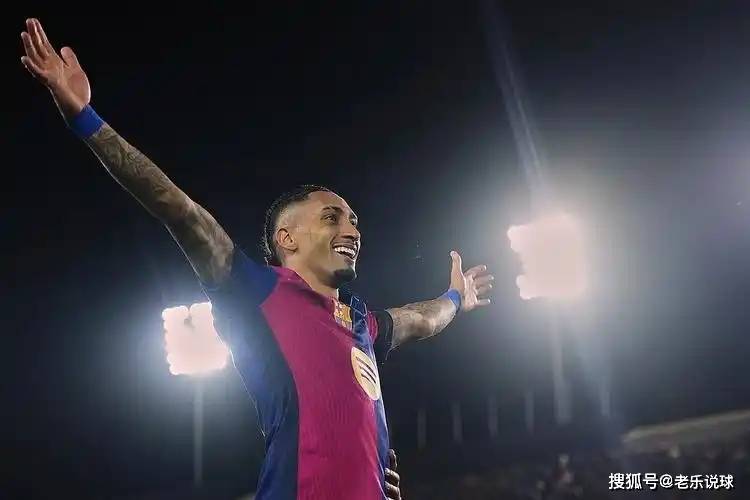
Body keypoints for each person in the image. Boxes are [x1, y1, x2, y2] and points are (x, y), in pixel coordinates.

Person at [20, 17, 494, 500]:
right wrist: (84, 117)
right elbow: (178, 209)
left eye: (353, 221)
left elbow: (421, 318)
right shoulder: (253, 289)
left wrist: (457, 296)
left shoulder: (361, 324)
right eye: (331, 217)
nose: (352, 230)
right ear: (287, 238)